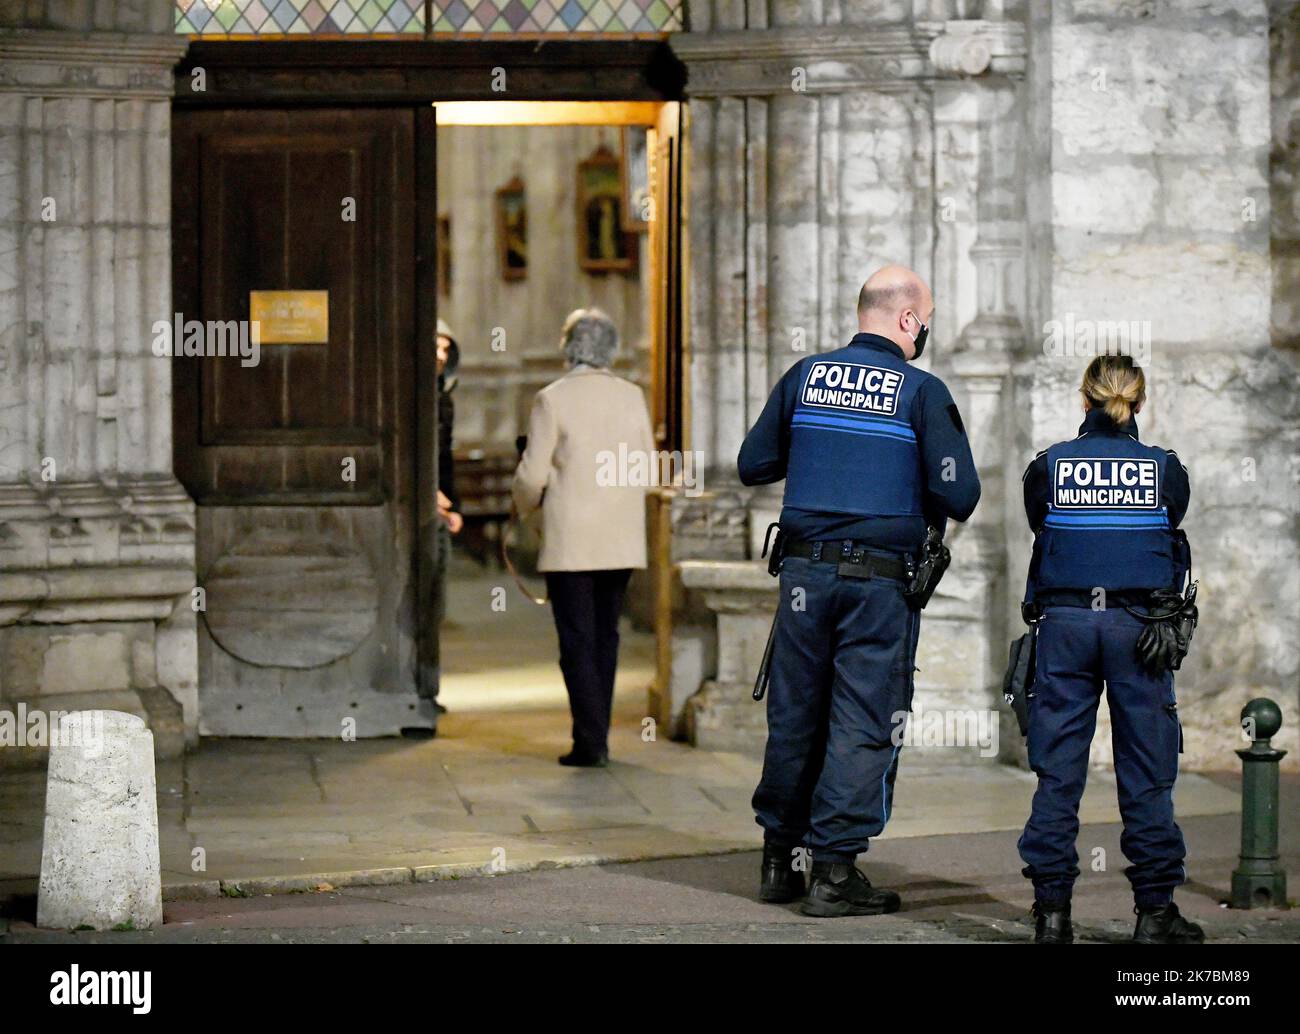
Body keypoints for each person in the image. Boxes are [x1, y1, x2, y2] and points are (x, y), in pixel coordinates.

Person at [738, 265, 980, 916]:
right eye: (924, 321)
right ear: (908, 320)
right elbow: (960, 494)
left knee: (796, 714)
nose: (925, 331)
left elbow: (752, 463)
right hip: (876, 587)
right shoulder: (921, 393)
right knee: (861, 721)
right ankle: (834, 874)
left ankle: (778, 861)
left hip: (802, 581)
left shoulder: (805, 377)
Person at [1018, 354, 1203, 945]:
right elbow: (1169, 523)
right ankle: (1154, 914)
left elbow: (1039, 527)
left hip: (1068, 623)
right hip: (1139, 629)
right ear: (1139, 402)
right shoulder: (1165, 470)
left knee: (1058, 774)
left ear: (1084, 399)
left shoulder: (1047, 467)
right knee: (1147, 773)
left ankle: (1052, 915)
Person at [512, 309, 654, 767]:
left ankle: (589, 741)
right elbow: (648, 469)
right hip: (618, 540)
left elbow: (532, 475)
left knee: (576, 641)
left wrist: (525, 507)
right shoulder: (632, 396)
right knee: (605, 637)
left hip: (571, 540)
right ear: (610, 348)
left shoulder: (552, 399)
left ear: (567, 346)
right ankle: (599, 736)